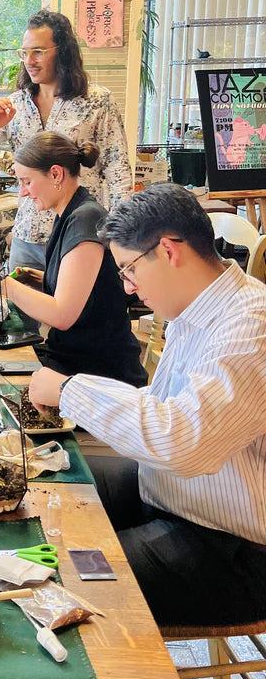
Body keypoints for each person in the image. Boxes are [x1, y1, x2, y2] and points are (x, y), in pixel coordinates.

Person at [28, 183, 266, 627]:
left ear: (169, 251)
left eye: (128, 269)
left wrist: (69, 391)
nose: (128, 288)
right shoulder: (195, 307)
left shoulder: (250, 325)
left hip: (231, 547)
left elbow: (183, 442)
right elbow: (164, 409)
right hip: (173, 493)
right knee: (46, 478)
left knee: (58, 586)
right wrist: (74, 396)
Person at [0, 9, 132, 271]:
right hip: (26, 237)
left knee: (73, 311)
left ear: (62, 51)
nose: (29, 60)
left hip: (79, 236)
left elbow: (118, 170)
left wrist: (120, 239)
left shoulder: (97, 101)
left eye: (38, 51)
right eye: (24, 52)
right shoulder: (15, 104)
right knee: (21, 309)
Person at [4, 132, 146, 385]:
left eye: (27, 182)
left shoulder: (85, 219)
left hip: (97, 371)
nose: (23, 193)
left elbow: (63, 315)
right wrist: (40, 279)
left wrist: (6, 287)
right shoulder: (70, 213)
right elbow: (90, 290)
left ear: (56, 174)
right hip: (77, 356)